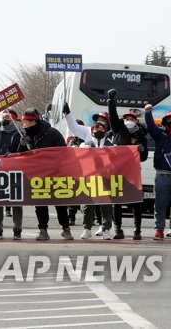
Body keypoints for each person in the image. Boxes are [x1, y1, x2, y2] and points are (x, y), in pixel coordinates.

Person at [17, 108, 73, 241]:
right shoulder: (25, 136)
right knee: (40, 204)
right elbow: (19, 157)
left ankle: (66, 229)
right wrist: (21, 146)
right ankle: (43, 230)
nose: (23, 124)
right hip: (37, 177)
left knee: (60, 204)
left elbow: (63, 152)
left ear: (33, 122)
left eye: (25, 121)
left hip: (55, 174)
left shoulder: (52, 133)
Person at [62, 101, 115, 239]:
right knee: (87, 203)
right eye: (98, 121)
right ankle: (87, 228)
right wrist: (67, 113)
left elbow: (116, 156)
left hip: (106, 176)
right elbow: (73, 127)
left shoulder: (111, 139)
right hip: (89, 175)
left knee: (106, 204)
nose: (99, 124)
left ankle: (106, 228)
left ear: (107, 126)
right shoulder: (87, 133)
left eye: (103, 122)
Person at [105, 90, 148, 240]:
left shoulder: (141, 135)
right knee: (117, 201)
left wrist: (142, 151)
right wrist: (111, 101)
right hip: (118, 172)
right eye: (127, 118)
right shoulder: (119, 130)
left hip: (134, 173)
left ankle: (137, 230)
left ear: (137, 121)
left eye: (132, 118)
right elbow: (112, 116)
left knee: (136, 201)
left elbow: (143, 157)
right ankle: (118, 229)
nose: (129, 120)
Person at [143, 103, 171, 241]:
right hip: (162, 174)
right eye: (169, 120)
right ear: (165, 122)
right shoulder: (160, 134)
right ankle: (159, 230)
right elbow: (150, 126)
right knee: (160, 204)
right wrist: (148, 112)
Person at [0, 110, 23, 240]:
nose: (5, 119)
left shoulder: (20, 134)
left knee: (16, 202)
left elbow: (27, 151)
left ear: (14, 119)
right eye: (3, 117)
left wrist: (24, 145)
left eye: (8, 117)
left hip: (15, 172)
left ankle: (17, 229)